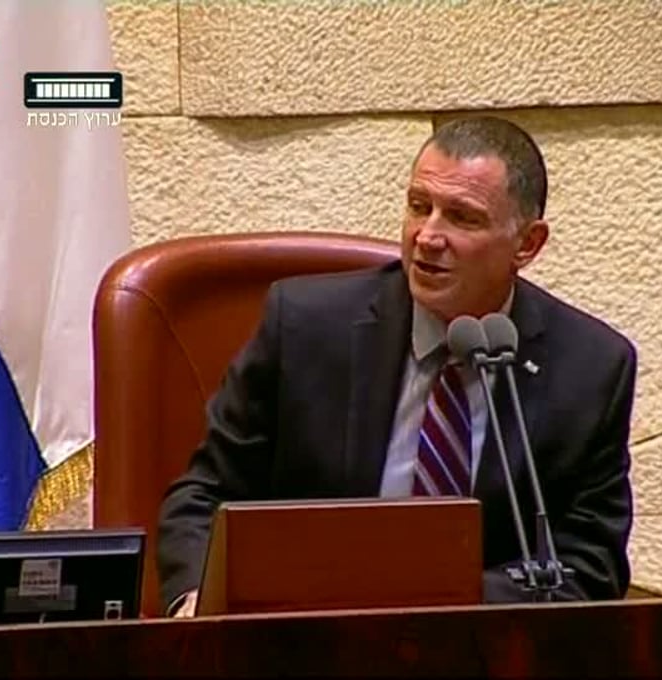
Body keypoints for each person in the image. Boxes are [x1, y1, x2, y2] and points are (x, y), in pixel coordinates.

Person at [156, 115, 637, 617]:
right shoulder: (303, 328)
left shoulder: (590, 368)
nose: (427, 236)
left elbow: (589, 561)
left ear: (527, 244)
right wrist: (195, 604)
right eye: (419, 206)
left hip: (485, 641)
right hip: (309, 633)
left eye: (462, 218)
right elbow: (203, 497)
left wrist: (434, 601)